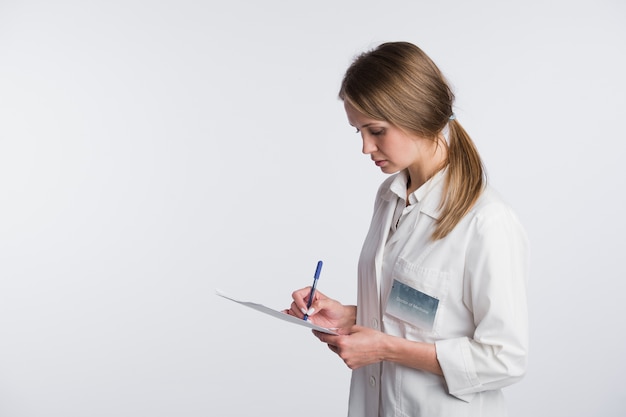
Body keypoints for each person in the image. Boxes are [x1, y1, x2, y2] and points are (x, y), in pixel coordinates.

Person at [285, 41, 529, 417]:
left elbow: (505, 359)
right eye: (359, 132)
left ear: (417, 116)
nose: (366, 147)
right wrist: (352, 316)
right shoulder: (390, 197)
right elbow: (426, 313)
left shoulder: (486, 221)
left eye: (377, 130)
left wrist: (384, 348)